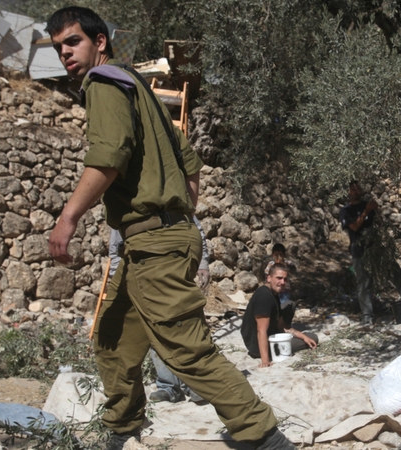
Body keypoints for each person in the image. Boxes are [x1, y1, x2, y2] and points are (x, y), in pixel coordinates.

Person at [46, 7, 293, 450]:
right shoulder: (139, 89)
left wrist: (68, 218)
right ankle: (122, 430)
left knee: (185, 350)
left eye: (73, 42)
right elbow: (191, 163)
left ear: (100, 42)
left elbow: (109, 156)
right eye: (59, 47)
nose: (65, 52)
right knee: (113, 338)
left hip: (156, 243)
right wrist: (180, 211)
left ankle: (264, 436)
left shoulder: (104, 84)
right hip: (156, 240)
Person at [108, 217, 208, 404]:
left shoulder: (171, 198)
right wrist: (118, 280)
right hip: (143, 281)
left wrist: (202, 263)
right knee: (155, 333)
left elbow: (194, 230)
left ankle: (194, 384)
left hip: (174, 275)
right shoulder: (125, 209)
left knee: (185, 330)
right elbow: (115, 248)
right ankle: (169, 387)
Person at [339, 181, 401, 325]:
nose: (356, 191)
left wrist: (376, 211)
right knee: (364, 283)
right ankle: (367, 316)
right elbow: (354, 227)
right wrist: (367, 211)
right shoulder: (346, 210)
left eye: (358, 188)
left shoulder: (366, 204)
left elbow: (379, 223)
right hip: (359, 251)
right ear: (348, 192)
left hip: (376, 248)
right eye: (353, 189)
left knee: (396, 273)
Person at [241, 264, 318, 367]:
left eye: (285, 279)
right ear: (269, 278)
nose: (282, 282)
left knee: (307, 335)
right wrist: (265, 360)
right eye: (279, 278)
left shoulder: (274, 294)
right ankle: (269, 352)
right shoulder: (264, 297)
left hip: (270, 337)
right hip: (259, 347)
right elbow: (261, 330)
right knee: (314, 337)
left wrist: (304, 337)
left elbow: (282, 325)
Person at [263, 243, 297, 314]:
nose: (278, 257)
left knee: (284, 306)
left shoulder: (287, 263)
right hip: (274, 289)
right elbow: (267, 273)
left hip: (285, 290)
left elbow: (293, 269)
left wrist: (285, 265)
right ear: (273, 255)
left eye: (280, 255)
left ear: (284, 255)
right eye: (276, 255)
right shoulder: (271, 264)